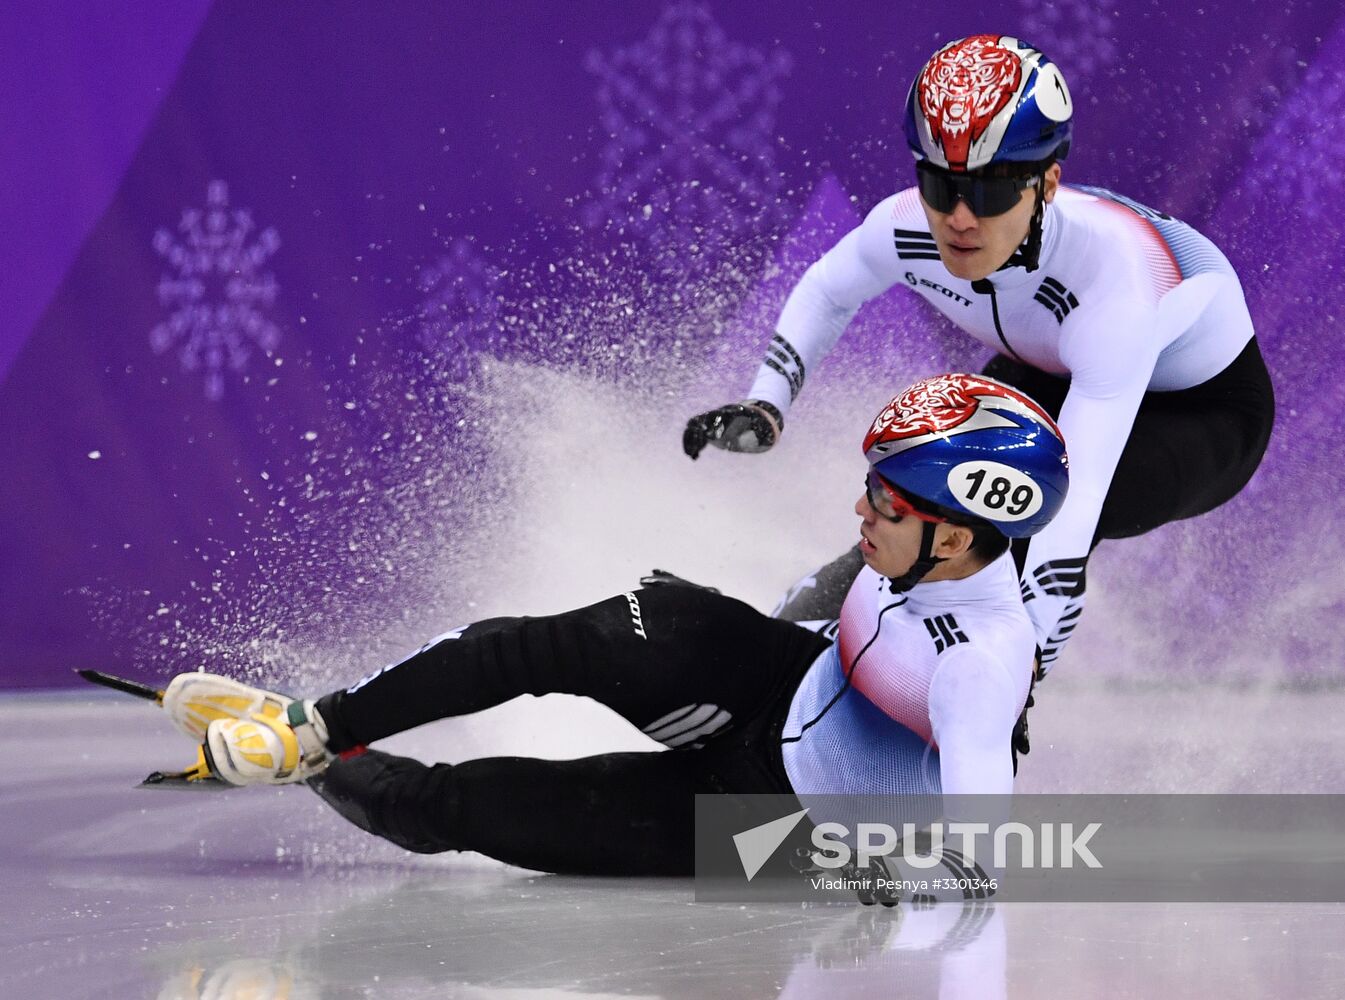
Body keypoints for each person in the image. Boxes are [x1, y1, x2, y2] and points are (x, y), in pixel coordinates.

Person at [157, 374, 1067, 891]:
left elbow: (980, 854)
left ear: (953, 534)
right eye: (868, 485)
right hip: (773, 677)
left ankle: (317, 762)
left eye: (885, 500)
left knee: (453, 812)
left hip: (772, 826)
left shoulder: (981, 666)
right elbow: (830, 598)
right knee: (560, 643)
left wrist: (911, 872)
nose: (859, 510)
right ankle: (313, 724)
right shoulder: (917, 546)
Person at [682, 34, 1274, 674]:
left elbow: (1061, 531)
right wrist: (767, 403)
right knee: (917, 487)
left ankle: (908, 676)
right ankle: (804, 631)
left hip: (1199, 412)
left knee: (1002, 520)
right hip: (1049, 368)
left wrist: (1024, 678)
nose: (960, 218)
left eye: (990, 192)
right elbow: (828, 290)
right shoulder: (908, 225)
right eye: (940, 185)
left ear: (1048, 184)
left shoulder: (1117, 287)